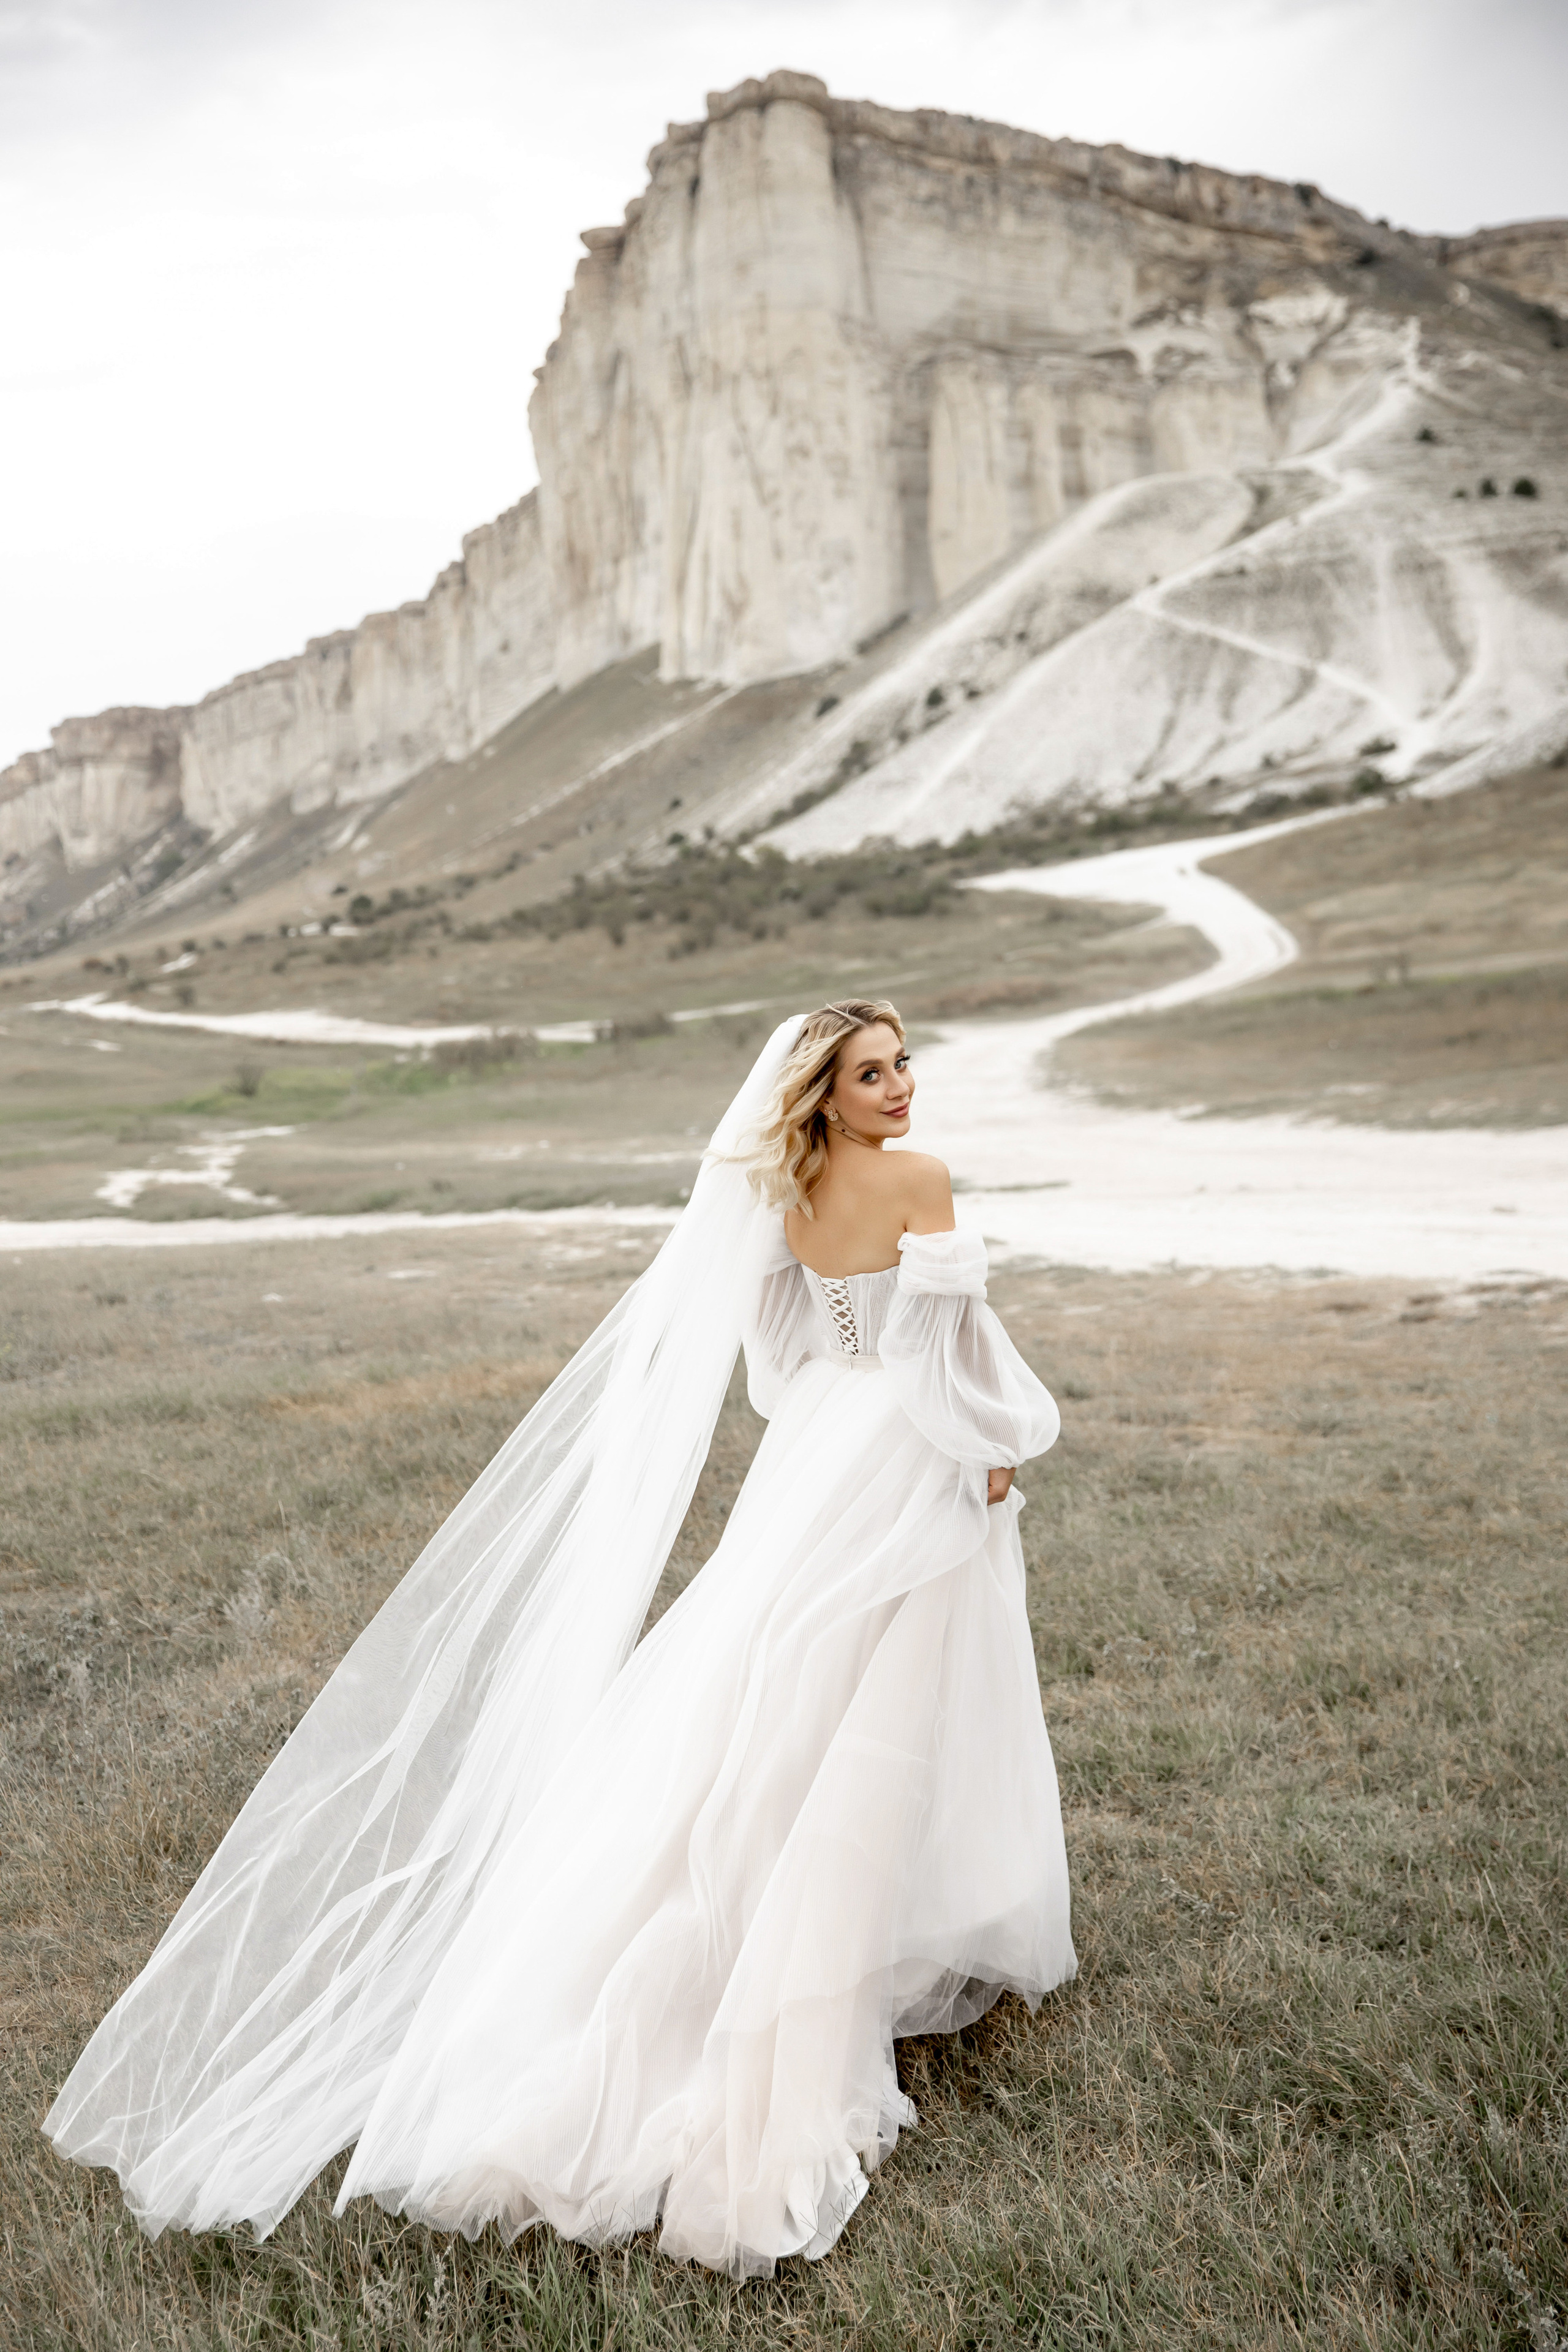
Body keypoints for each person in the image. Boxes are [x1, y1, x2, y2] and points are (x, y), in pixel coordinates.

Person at [45, 1000, 1075, 2280]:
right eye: (872, 1073)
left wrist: (838, 1408)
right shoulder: (918, 1180)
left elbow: (781, 1354)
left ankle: (786, 1927)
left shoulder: (790, 1192)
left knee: (773, 1693)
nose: (902, 1087)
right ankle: (824, 1950)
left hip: (814, 1449)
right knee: (882, 1697)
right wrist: (993, 1453)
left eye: (904, 1064)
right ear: (823, 1092)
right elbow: (944, 1352)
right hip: (896, 1454)